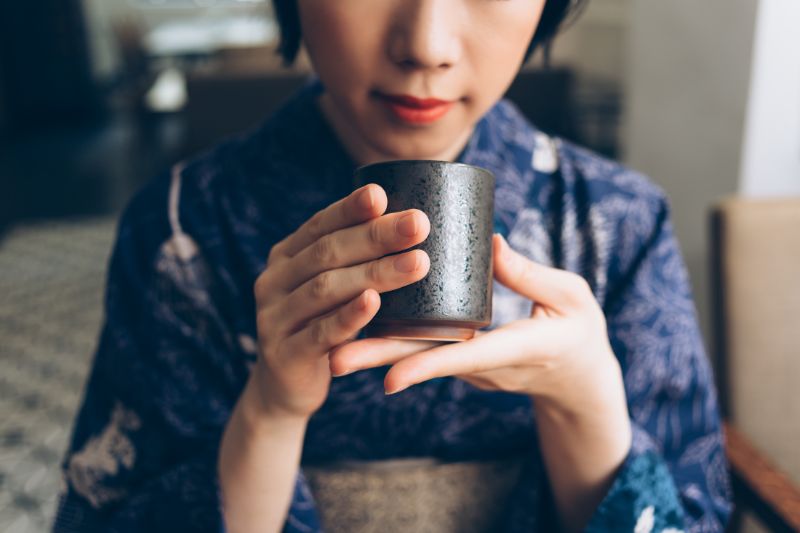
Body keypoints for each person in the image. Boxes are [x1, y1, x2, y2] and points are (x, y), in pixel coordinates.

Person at [53, 0, 732, 531]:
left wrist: (585, 406)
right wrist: (269, 411)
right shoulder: (181, 229)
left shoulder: (620, 223)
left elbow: (695, 512)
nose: (426, 47)